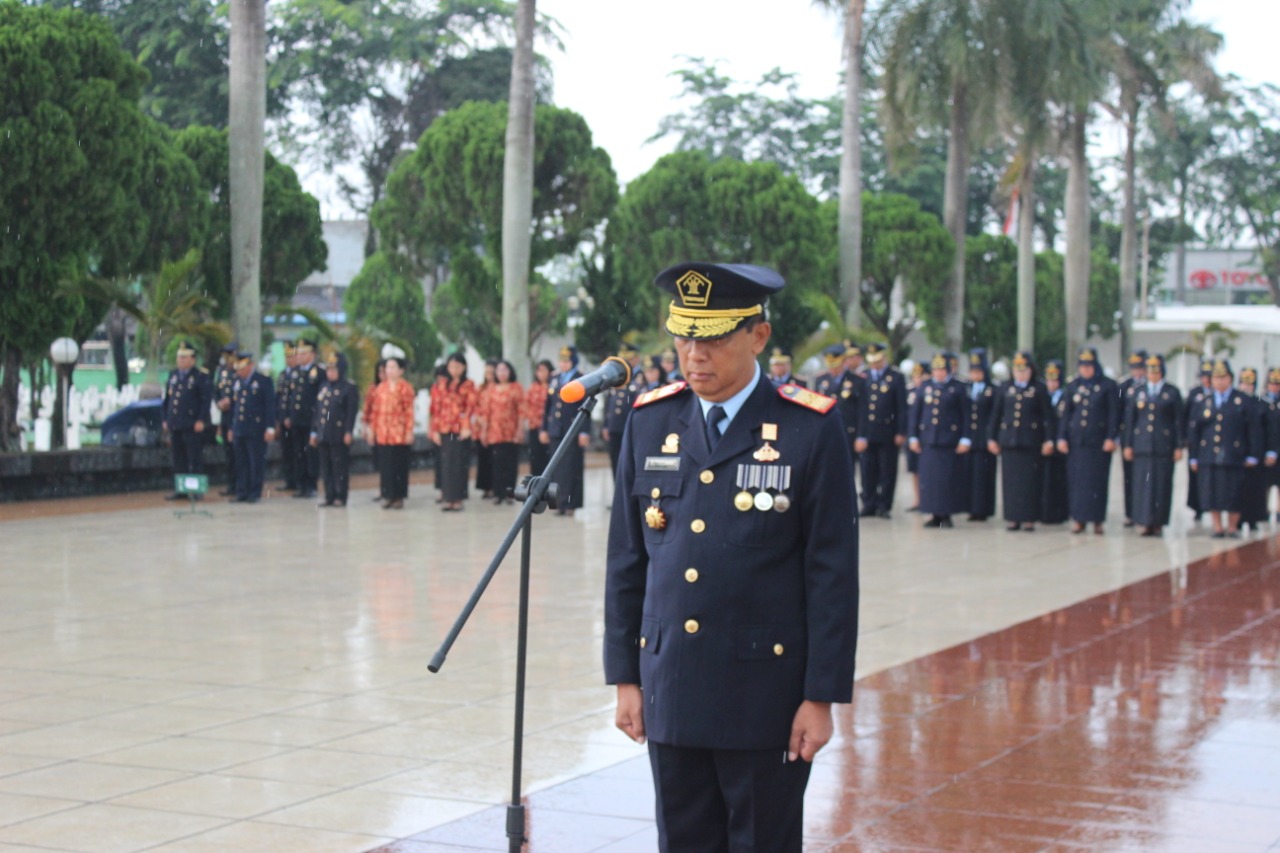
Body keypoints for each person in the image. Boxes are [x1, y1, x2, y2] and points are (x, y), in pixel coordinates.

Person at [604, 260, 858, 853]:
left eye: (713, 338)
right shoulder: (650, 421)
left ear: (758, 336)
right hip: (671, 685)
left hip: (763, 695)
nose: (695, 354)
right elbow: (627, 561)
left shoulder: (807, 429)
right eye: (684, 335)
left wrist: (819, 697)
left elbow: (832, 576)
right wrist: (625, 678)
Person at [1187, 359, 1263, 538]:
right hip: (1208, 455)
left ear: (1230, 379)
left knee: (1234, 491)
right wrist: (1193, 456)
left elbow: (1253, 429)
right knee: (1211, 490)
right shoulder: (1203, 401)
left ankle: (1232, 526)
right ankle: (1217, 527)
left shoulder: (1242, 400)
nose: (1219, 382)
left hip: (1234, 454)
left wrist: (1253, 454)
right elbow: (1194, 431)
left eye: (1223, 378)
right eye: (1216, 378)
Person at [988, 352, 1054, 532]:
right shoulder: (1005, 388)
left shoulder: (1039, 389)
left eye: (1024, 370)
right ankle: (1012, 517)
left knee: (1030, 482)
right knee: (1011, 483)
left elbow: (1048, 417)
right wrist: (991, 438)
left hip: (1031, 441)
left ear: (1031, 370)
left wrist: (1048, 440)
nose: (1020, 374)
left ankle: (1029, 518)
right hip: (1009, 441)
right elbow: (996, 415)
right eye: (1017, 370)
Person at [1057, 347, 1120, 534]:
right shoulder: (1073, 386)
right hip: (1077, 442)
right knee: (1077, 482)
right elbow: (1066, 414)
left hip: (1098, 443)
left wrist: (1111, 437)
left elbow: (1113, 415)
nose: (1085, 370)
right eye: (1082, 366)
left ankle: (1097, 520)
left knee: (1096, 482)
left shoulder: (1108, 386)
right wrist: (1061, 437)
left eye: (1089, 366)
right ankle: (1078, 519)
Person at [1121, 354, 1183, 536]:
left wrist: (1179, 446)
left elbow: (1178, 421)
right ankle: (1142, 521)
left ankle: (1158, 522)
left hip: (1163, 445)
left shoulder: (1171, 392)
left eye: (1156, 371)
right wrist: (1128, 444)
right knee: (1142, 484)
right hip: (1142, 445)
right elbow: (1130, 420)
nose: (1152, 374)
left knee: (1161, 485)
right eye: (1149, 371)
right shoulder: (1137, 391)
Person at [908, 353, 970, 528]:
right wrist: (913, 436)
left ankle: (946, 514)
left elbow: (965, 415)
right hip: (928, 439)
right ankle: (933, 513)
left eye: (942, 369)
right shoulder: (925, 387)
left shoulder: (957, 388)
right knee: (930, 480)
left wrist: (965, 439)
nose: (939, 373)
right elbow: (916, 414)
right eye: (936, 369)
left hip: (949, 440)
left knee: (947, 480)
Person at [856, 342, 907, 519]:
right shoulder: (864, 376)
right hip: (868, 432)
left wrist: (901, 431)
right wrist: (860, 434)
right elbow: (861, 408)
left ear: (884, 358)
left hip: (888, 431)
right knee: (867, 470)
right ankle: (868, 503)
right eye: (872, 361)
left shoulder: (895, 377)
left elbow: (901, 407)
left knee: (887, 470)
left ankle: (884, 505)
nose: (874, 365)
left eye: (877, 361)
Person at [541, 345, 590, 516]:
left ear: (573, 362)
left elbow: (586, 406)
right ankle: (559, 503)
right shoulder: (554, 378)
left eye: (567, 361)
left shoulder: (580, 379)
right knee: (558, 467)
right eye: (561, 361)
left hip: (573, 428)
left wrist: (584, 432)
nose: (563, 364)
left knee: (571, 467)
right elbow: (548, 406)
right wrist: (544, 428)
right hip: (556, 428)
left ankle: (571, 503)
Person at [161, 340, 213, 500]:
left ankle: (196, 490)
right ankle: (181, 489)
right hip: (176, 423)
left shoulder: (200, 376)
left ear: (192, 359)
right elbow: (167, 400)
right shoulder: (173, 375)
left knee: (194, 458)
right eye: (179, 358)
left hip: (192, 424)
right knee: (178, 458)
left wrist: (201, 420)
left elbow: (205, 400)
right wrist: (165, 419)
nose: (181, 361)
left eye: (184, 358)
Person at [430, 352, 477, 512]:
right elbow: (436, 408)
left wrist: (466, 426)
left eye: (458, 366)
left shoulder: (468, 385)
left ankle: (458, 498)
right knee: (446, 464)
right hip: (444, 428)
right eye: (451, 366)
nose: (454, 370)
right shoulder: (441, 384)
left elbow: (470, 407)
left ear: (463, 367)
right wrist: (434, 429)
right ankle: (447, 497)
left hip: (461, 431)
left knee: (459, 464)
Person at [312, 351, 359, 507]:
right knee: (325, 467)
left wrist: (348, 431)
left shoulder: (348, 388)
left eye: (334, 370)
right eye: (328, 370)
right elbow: (318, 412)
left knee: (339, 467)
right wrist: (314, 431)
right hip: (324, 433)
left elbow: (351, 413)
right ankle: (329, 495)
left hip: (338, 434)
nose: (330, 373)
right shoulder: (324, 387)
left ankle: (341, 495)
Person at [228, 351, 276, 503]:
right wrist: (231, 427)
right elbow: (233, 407)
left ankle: (255, 492)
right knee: (241, 462)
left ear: (251, 365)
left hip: (256, 428)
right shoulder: (236, 381)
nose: (240, 371)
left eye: (242, 367)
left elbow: (270, 406)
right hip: (239, 428)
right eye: (238, 368)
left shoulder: (263, 381)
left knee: (255, 462)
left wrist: (270, 427)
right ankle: (242, 491)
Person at [371, 356, 416, 509]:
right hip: (384, 433)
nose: (389, 371)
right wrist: (373, 430)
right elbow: (375, 412)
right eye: (387, 368)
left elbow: (409, 411)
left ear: (401, 370)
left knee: (399, 465)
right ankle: (387, 495)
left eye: (393, 367)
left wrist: (409, 431)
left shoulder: (406, 388)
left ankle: (399, 496)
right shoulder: (380, 388)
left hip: (399, 433)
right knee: (385, 466)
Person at [480, 359, 524, 504]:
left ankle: (510, 494)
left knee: (510, 465)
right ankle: (498, 493)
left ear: (510, 371)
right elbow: (486, 413)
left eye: (505, 370)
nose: (502, 373)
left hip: (511, 432)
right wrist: (484, 431)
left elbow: (521, 411)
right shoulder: (490, 389)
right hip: (495, 432)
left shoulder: (516, 388)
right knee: (496, 464)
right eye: (499, 370)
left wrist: (520, 430)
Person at [961, 348, 997, 522]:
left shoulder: (992, 389)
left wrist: (992, 437)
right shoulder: (966, 387)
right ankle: (971, 508)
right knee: (969, 476)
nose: (975, 374)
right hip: (970, 438)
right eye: (973, 371)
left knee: (983, 476)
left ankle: (983, 509)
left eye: (979, 371)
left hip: (985, 439)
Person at [1235, 367, 1270, 533]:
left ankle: (1253, 518)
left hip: (1257, 452)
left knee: (1255, 489)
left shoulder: (1261, 404)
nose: (1246, 387)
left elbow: (1268, 430)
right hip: (1237, 453)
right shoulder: (1234, 402)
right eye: (1243, 383)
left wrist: (1265, 452)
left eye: (1250, 384)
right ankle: (1238, 519)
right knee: (1238, 489)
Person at [603, 343, 646, 478]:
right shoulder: (618, 375)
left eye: (628, 358)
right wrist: (606, 424)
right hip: (614, 426)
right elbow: (609, 401)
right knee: (615, 462)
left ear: (636, 359)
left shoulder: (640, 376)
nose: (626, 362)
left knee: (630, 463)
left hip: (630, 425)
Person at [288, 338, 323, 499]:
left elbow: (320, 399)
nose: (300, 356)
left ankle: (311, 484)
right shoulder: (296, 372)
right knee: (298, 454)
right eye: (299, 353)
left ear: (312, 354)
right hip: (297, 421)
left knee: (310, 455)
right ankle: (301, 484)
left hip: (310, 421)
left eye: (304, 353)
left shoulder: (318, 372)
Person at [1116, 350, 1148, 528]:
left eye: (1140, 368)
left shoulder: (1149, 386)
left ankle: (1142, 512)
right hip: (1128, 438)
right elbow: (1118, 412)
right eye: (1134, 368)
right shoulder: (1124, 386)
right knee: (1129, 477)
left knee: (1144, 477)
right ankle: (1130, 513)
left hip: (1144, 438)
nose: (1137, 372)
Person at [1040, 359, 1070, 525]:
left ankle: (1059, 513)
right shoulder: (1042, 395)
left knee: (1059, 481)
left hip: (1060, 446)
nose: (1051, 383)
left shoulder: (1066, 396)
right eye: (1049, 379)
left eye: (1054, 380)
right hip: (1044, 444)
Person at [1184, 358, 1213, 523]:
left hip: (1210, 440)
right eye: (1203, 376)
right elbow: (1186, 416)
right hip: (1195, 440)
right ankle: (1196, 507)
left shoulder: (1216, 392)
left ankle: (1209, 505)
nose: (1206, 379)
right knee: (1194, 475)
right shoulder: (1195, 393)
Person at [213, 342, 238, 495]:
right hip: (225, 417)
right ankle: (231, 485)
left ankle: (241, 484)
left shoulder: (239, 372)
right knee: (229, 454)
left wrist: (231, 402)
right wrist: (219, 402)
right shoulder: (221, 372)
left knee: (238, 454)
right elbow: (216, 391)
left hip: (236, 416)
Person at [363, 359, 387, 501]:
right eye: (380, 372)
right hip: (376, 430)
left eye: (384, 371)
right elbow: (367, 410)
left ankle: (389, 490)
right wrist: (366, 428)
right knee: (379, 462)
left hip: (391, 432)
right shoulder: (373, 389)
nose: (382, 375)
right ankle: (382, 488)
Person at [474, 358, 499, 498]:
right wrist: (479, 419)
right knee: (483, 459)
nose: (488, 374)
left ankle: (496, 487)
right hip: (481, 427)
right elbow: (476, 405)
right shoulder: (481, 388)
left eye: (491, 371)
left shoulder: (497, 388)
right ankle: (486, 487)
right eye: (487, 372)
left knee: (494, 459)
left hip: (494, 428)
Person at [524, 359, 553, 477]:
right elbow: (526, 405)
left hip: (549, 428)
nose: (541, 373)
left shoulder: (553, 386)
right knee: (535, 457)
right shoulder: (533, 387)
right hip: (535, 427)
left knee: (549, 457)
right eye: (538, 371)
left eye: (544, 370)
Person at [277, 341, 299, 491]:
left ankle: (298, 481)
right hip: (283, 418)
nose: (288, 359)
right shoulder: (283, 375)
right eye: (286, 356)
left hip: (295, 420)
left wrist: (290, 417)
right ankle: (289, 480)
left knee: (297, 451)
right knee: (286, 452)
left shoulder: (300, 374)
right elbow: (279, 398)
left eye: (291, 356)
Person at [904, 360, 925, 510]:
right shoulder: (909, 391)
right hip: (911, 435)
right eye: (915, 376)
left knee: (927, 470)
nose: (918, 379)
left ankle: (927, 498)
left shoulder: (928, 390)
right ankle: (917, 499)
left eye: (921, 376)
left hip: (926, 436)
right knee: (914, 470)